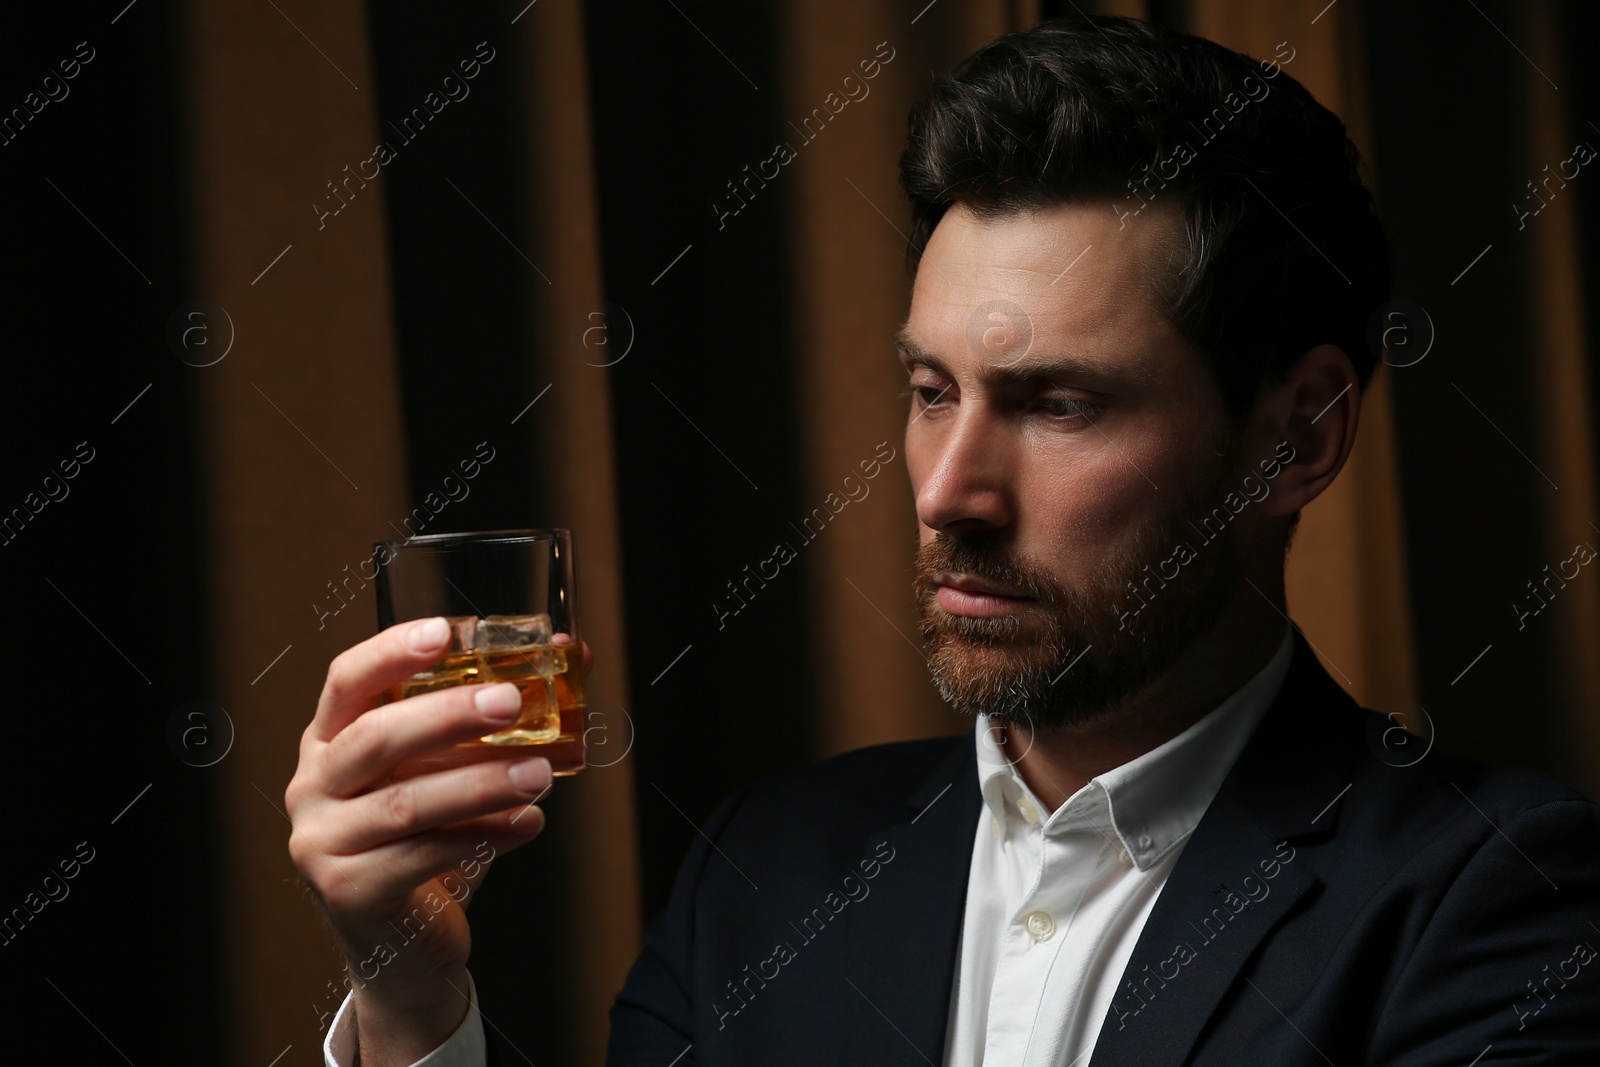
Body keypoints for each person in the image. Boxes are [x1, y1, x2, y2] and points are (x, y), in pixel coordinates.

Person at [288, 15, 1600, 1067]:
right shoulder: (767, 870)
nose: (947, 493)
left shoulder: (1502, 900)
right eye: (931, 396)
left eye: (1059, 404)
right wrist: (410, 999)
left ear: (1298, 440)